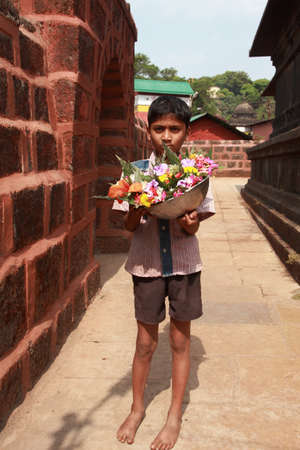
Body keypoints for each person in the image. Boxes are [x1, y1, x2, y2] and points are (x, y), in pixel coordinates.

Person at [114, 95, 215, 449]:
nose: (167, 136)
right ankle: (137, 408)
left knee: (179, 340)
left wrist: (190, 223)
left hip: (185, 267)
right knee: (145, 342)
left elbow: (195, 226)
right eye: (159, 129)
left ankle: (173, 416)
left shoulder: (196, 173)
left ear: (187, 132)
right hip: (147, 266)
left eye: (175, 129)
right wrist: (137, 207)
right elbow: (126, 226)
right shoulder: (135, 171)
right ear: (149, 131)